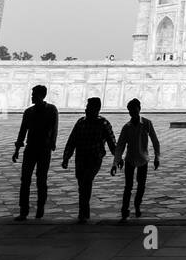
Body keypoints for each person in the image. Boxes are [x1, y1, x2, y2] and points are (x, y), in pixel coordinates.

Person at [61, 96, 117, 223]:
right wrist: (66, 157)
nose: (86, 109)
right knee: (82, 184)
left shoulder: (103, 123)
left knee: (86, 181)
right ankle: (84, 211)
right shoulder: (81, 122)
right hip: (80, 158)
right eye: (86, 107)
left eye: (89, 107)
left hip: (94, 158)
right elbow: (72, 140)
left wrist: (117, 158)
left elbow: (112, 142)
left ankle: (83, 213)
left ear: (96, 109)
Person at [12, 84, 58, 221]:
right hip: (30, 148)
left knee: (41, 179)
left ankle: (40, 207)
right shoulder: (29, 112)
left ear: (41, 95)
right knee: (25, 180)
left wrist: (52, 144)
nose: (32, 97)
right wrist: (17, 149)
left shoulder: (51, 110)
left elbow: (54, 127)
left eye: (34, 94)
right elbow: (22, 131)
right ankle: (23, 210)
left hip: (43, 149)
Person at [113, 98, 160, 221]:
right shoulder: (127, 127)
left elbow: (155, 141)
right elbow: (120, 146)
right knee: (128, 186)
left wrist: (157, 157)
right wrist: (115, 162)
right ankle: (125, 210)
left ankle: (137, 205)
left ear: (139, 109)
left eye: (135, 110)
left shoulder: (146, 123)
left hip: (143, 158)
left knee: (141, 185)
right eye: (131, 111)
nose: (133, 113)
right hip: (130, 159)